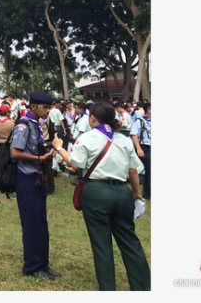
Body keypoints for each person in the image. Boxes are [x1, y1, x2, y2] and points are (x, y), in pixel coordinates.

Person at [52, 101, 150, 290]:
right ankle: (143, 288)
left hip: (97, 191)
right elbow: (134, 171)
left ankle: (108, 289)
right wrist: (137, 195)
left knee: (101, 244)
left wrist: (59, 147)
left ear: (93, 118)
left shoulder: (88, 138)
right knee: (130, 241)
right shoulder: (123, 139)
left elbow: (76, 164)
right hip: (122, 192)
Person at [11, 90, 60, 281]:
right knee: (31, 223)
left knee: (41, 222)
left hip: (38, 177)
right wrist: (39, 157)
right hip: (27, 178)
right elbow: (15, 153)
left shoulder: (37, 124)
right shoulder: (23, 125)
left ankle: (43, 263)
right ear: (33, 107)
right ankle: (32, 266)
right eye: (45, 107)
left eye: (49, 107)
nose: (48, 111)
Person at [130, 103, 151, 200]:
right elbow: (134, 135)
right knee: (149, 170)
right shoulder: (140, 121)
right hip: (146, 147)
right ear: (148, 110)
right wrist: (139, 148)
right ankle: (147, 193)